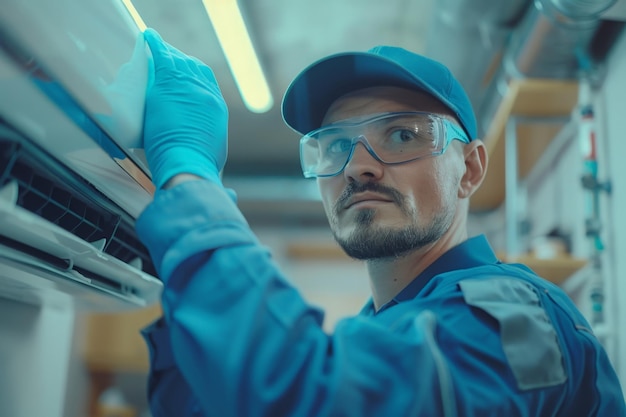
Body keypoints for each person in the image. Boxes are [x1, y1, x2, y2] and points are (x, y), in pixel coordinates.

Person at [136, 28, 626, 416]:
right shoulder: (380, 331)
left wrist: (190, 180)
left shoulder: (514, 319)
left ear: (470, 169)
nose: (356, 166)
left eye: (401, 135)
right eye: (333, 146)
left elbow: (312, 403)